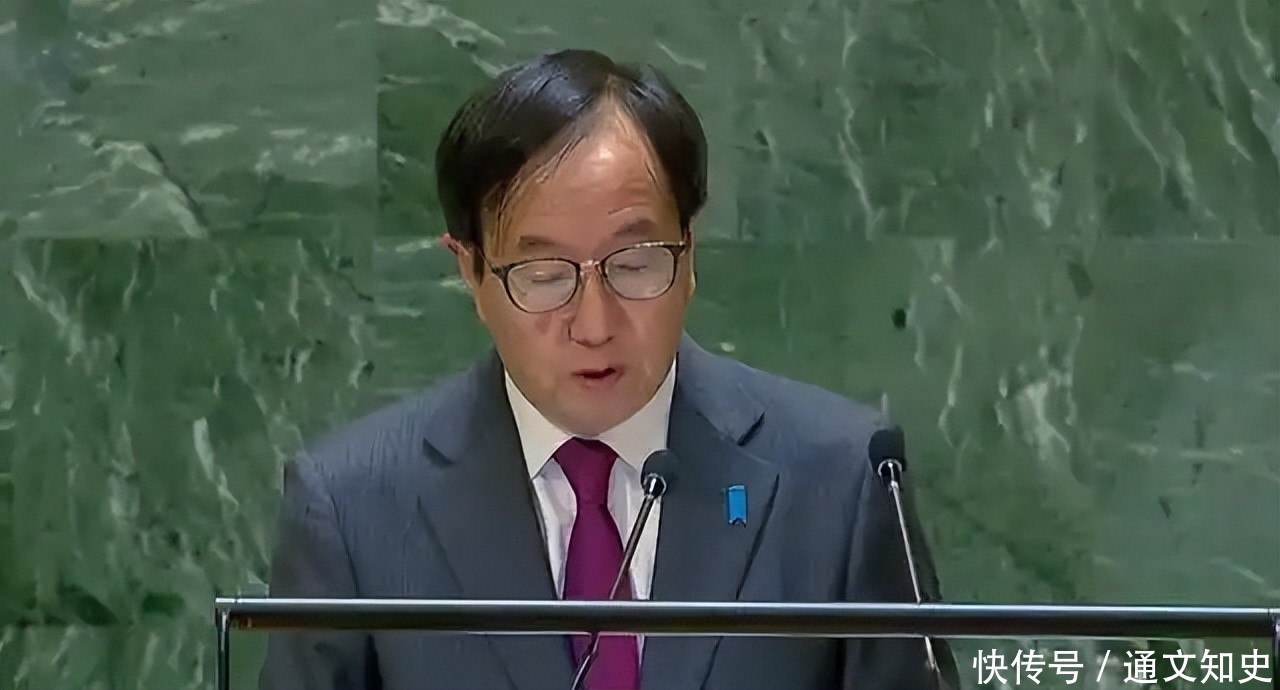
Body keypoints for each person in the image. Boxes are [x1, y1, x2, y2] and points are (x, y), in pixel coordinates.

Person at [259, 48, 956, 690]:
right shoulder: (353, 508)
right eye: (543, 274)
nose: (594, 326)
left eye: (635, 263)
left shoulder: (841, 479)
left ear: (689, 251)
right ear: (470, 270)